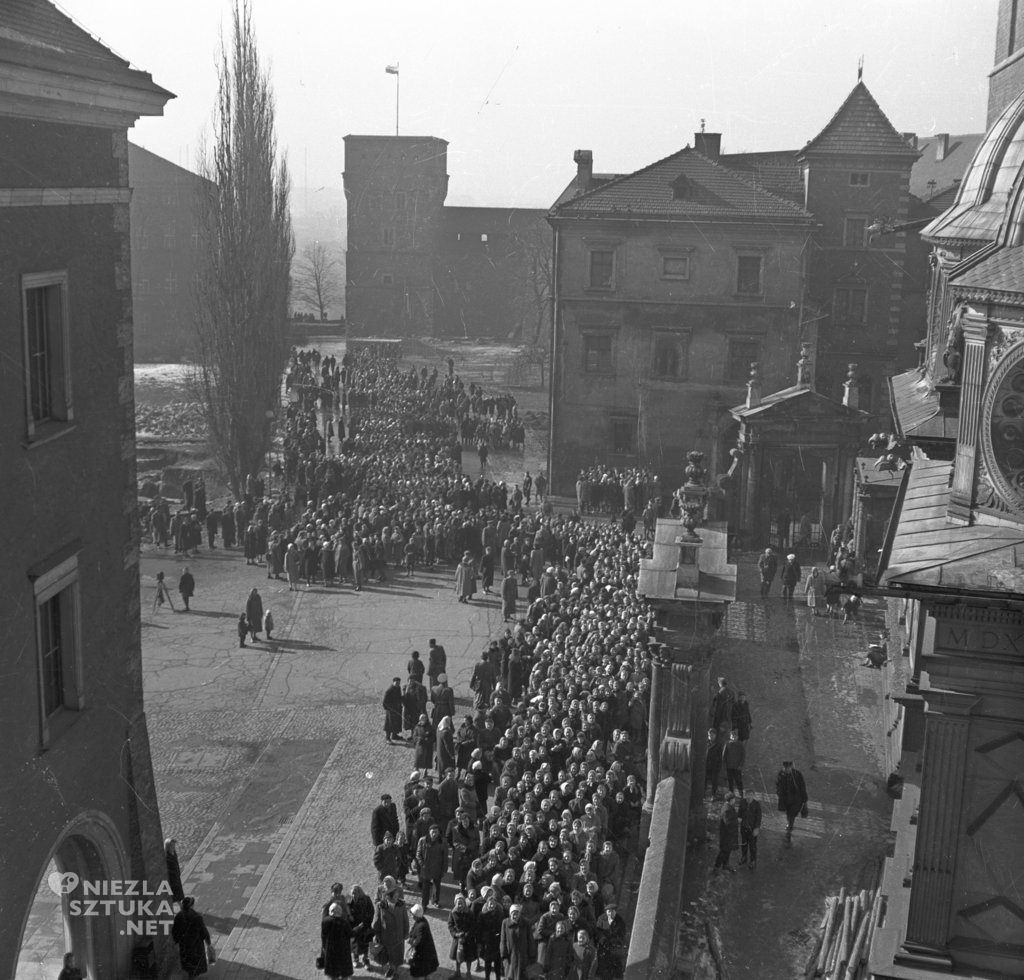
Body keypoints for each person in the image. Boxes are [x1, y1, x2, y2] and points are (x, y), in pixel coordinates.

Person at [372, 878, 409, 980]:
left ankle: (395, 971)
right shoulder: (381, 906)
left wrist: (406, 933)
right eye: (395, 897)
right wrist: (377, 934)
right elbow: (376, 922)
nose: (397, 899)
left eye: (397, 896)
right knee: (388, 954)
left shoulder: (401, 905)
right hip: (386, 936)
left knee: (397, 955)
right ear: (388, 897)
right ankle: (391, 968)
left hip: (399, 936)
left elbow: (405, 920)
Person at [171, 896, 212, 978]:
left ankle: (190, 973)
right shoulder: (197, 917)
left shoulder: (178, 916)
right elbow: (203, 931)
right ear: (191, 906)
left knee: (187, 961)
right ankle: (193, 975)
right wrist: (208, 943)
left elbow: (174, 930)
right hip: (196, 944)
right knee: (195, 961)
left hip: (184, 944)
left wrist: (177, 940)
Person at [775, 760, 809, 844]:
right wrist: (779, 793)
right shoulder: (781, 774)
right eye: (786, 768)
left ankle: (789, 830)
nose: (787, 769)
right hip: (785, 800)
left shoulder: (797, 774)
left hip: (796, 800)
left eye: (789, 768)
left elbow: (802, 787)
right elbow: (778, 785)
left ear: (791, 767)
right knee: (788, 814)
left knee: (792, 815)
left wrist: (804, 799)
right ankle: (789, 825)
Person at [320, 901, 354, 980]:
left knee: (333, 974)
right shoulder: (344, 922)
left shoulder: (325, 921)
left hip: (330, 951)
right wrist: (358, 928)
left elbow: (323, 936)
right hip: (343, 952)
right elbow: (351, 934)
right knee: (344, 974)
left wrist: (324, 947)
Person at [407, 903, 440, 979]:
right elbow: (413, 930)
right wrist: (410, 935)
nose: (412, 916)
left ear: (417, 916)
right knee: (426, 972)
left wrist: (412, 942)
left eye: (413, 915)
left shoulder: (422, 926)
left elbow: (419, 940)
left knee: (420, 973)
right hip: (424, 953)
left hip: (423, 954)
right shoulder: (420, 920)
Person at [595, 904, 627, 979]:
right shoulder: (601, 919)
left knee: (614, 966)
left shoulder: (620, 921)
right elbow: (598, 931)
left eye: (612, 911)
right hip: (603, 946)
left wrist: (614, 941)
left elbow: (622, 934)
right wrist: (602, 939)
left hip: (614, 947)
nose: (610, 913)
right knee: (603, 966)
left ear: (615, 912)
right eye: (609, 911)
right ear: (606, 912)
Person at [500, 903, 532, 980]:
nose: (515, 916)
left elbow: (530, 939)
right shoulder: (505, 922)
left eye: (517, 913)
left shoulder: (526, 923)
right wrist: (503, 954)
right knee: (510, 976)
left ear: (520, 914)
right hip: (510, 956)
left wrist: (532, 954)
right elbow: (503, 939)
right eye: (513, 913)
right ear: (510, 914)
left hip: (523, 956)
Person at [350, 885, 376, 969]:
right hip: (355, 927)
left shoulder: (366, 899)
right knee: (355, 944)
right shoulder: (349, 901)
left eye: (355, 893)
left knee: (366, 945)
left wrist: (366, 922)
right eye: (352, 893)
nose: (354, 895)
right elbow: (347, 912)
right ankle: (355, 959)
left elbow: (371, 911)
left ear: (360, 893)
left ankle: (366, 961)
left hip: (365, 927)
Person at [713, 795, 739, 873]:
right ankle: (716, 867)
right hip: (727, 835)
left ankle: (725, 864)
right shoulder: (727, 809)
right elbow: (728, 823)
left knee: (728, 850)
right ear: (731, 800)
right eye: (734, 799)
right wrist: (737, 821)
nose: (735, 800)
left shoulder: (728, 806)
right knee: (724, 851)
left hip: (729, 834)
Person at [738, 793, 762, 870]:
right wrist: (739, 818)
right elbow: (739, 813)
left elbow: (759, 818)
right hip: (743, 828)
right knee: (744, 844)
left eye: (750, 796)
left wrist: (756, 828)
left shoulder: (757, 804)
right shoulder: (742, 802)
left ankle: (752, 861)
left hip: (752, 829)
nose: (748, 797)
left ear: (753, 796)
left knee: (752, 846)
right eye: (747, 796)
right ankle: (744, 857)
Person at [722, 730, 745, 795]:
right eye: (732, 736)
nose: (733, 737)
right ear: (730, 737)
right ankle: (731, 792)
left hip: (737, 766)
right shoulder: (727, 744)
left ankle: (741, 793)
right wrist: (724, 764)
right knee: (730, 780)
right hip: (729, 766)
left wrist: (741, 765)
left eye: (735, 736)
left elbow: (743, 755)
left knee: (738, 780)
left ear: (737, 737)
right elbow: (724, 754)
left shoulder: (740, 744)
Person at [704, 727, 723, 800]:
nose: (710, 737)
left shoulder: (718, 745)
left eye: (712, 735)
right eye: (709, 735)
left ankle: (713, 795)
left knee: (714, 782)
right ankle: (703, 794)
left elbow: (720, 757)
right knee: (704, 781)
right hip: (706, 765)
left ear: (715, 735)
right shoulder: (706, 743)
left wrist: (718, 767)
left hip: (714, 766)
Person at [383, 678, 404, 743]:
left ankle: (394, 735)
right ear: (393, 682)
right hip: (391, 710)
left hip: (397, 709)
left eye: (399, 683)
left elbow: (399, 697)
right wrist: (389, 709)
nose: (398, 684)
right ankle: (387, 738)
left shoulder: (398, 688)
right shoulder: (389, 690)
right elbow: (384, 702)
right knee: (389, 724)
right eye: (396, 683)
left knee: (397, 723)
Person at [165, 837, 185, 903]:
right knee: (174, 893)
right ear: (168, 847)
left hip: (176, 876)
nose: (173, 847)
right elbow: (168, 869)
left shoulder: (174, 853)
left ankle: (181, 904)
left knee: (179, 892)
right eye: (172, 846)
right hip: (172, 879)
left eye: (174, 845)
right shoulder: (167, 857)